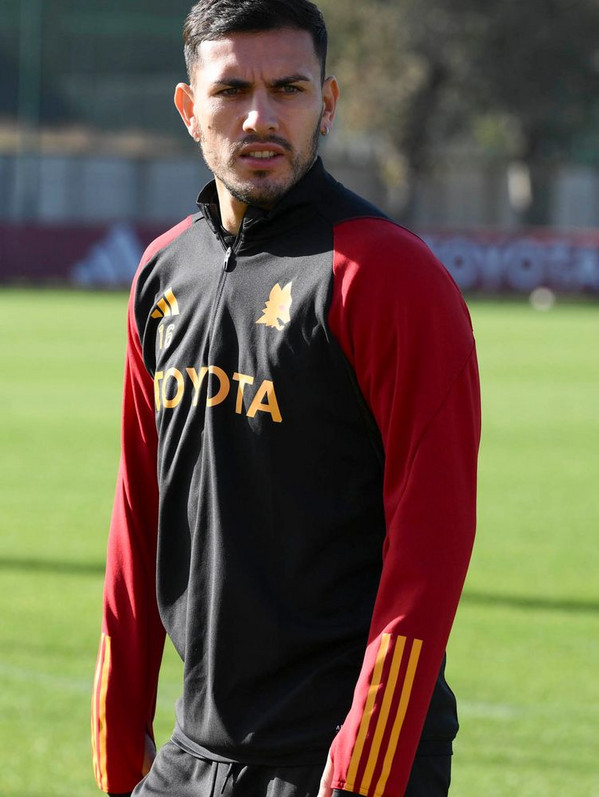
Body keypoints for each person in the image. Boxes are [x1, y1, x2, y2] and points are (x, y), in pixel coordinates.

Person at [91, 1, 481, 795]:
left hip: (342, 753)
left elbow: (432, 539)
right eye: (232, 90)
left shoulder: (387, 276)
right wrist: (119, 741)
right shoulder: (162, 272)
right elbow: (139, 510)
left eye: (289, 89)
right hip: (191, 752)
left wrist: (364, 765)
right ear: (188, 107)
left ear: (326, 103)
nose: (260, 118)